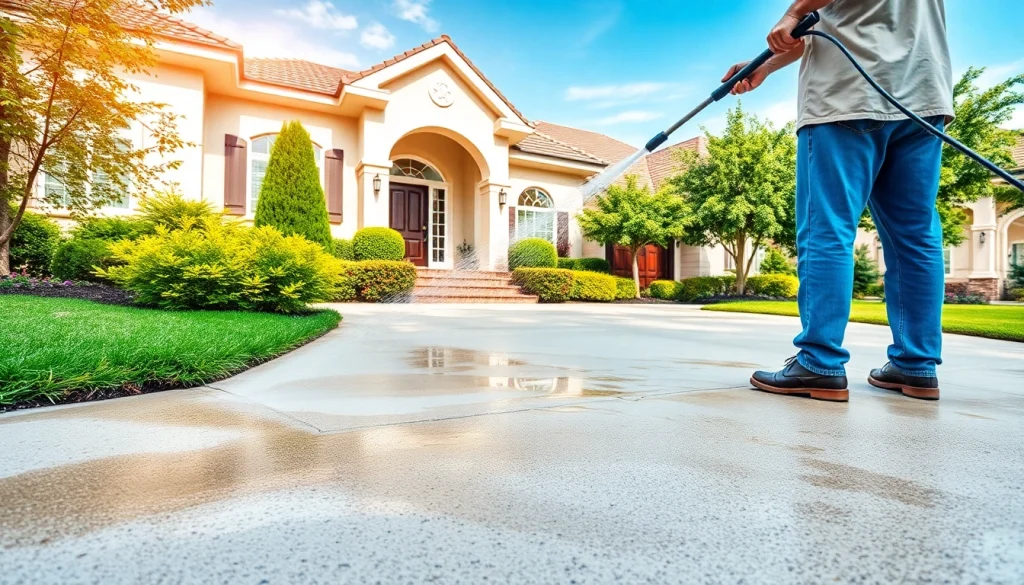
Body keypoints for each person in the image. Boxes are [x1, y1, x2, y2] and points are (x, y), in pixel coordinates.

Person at [725, 0, 954, 402]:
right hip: (921, 96)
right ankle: (916, 365)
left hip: (846, 97)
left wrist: (792, 13)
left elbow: (824, 18)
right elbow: (840, 22)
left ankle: (819, 363)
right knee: (915, 238)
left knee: (827, 230)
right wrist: (766, 64)